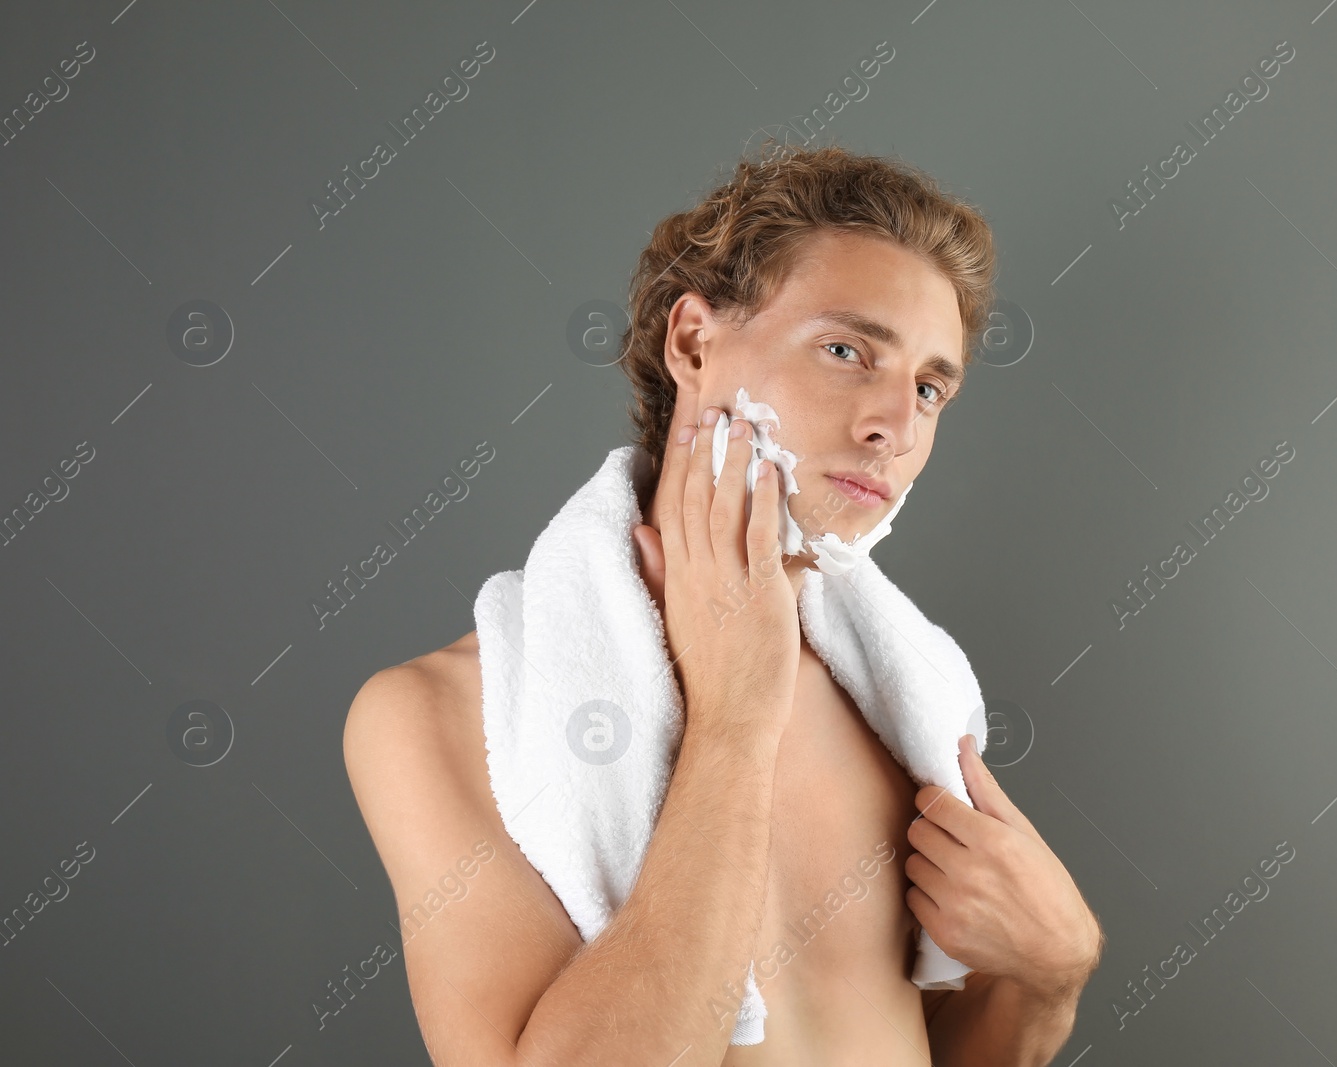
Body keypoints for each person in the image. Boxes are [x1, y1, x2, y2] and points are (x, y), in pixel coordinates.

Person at [343, 141, 1104, 1066]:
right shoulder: (444, 714)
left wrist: (1052, 979)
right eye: (845, 350)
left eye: (930, 387)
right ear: (694, 342)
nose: (895, 427)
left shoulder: (913, 708)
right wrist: (734, 721)